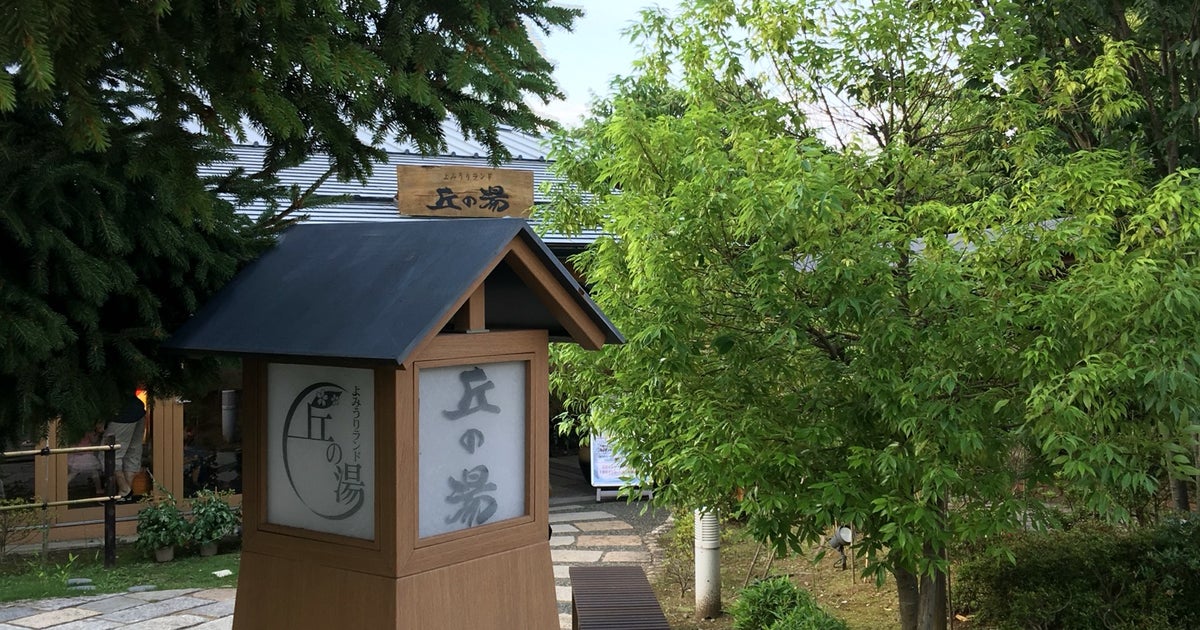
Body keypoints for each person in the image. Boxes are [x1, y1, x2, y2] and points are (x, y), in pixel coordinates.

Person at [103, 392, 147, 500]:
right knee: (132, 452)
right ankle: (125, 494)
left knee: (109, 454)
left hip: (120, 413)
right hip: (137, 409)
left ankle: (124, 489)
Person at [66, 423, 106, 495]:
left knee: (73, 473)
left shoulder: (73, 430)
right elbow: (94, 440)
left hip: (75, 454)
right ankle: (99, 489)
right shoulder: (88, 431)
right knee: (94, 472)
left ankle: (62, 486)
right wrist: (97, 433)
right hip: (86, 454)